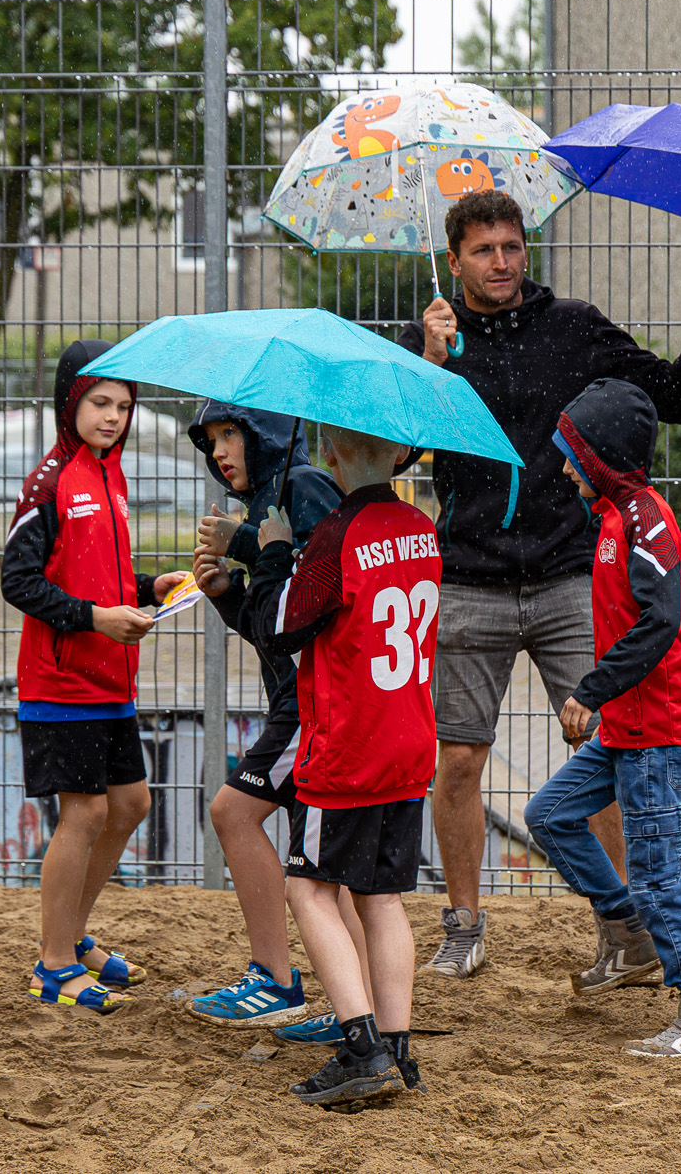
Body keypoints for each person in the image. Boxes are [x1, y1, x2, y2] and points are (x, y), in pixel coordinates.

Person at [397, 188, 681, 978]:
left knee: (606, 748)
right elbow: (392, 452)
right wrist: (427, 364)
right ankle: (464, 926)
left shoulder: (574, 324)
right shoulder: (430, 337)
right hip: (469, 576)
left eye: (512, 246)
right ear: (455, 261)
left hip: (569, 575)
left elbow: (674, 399)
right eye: (484, 250)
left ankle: (628, 929)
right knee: (459, 759)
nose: (502, 262)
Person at [521, 379, 681, 1057]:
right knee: (551, 815)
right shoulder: (618, 514)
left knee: (658, 874)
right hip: (631, 725)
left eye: (573, 453)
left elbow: (660, 622)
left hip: (663, 728)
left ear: (603, 455)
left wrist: (591, 691)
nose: (563, 467)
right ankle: (628, 932)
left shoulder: (643, 520)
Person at [244, 424, 441, 1107]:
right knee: (381, 897)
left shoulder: (336, 535)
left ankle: (360, 1046)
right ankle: (396, 1043)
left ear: (329, 455)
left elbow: (280, 628)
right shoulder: (422, 527)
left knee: (309, 889)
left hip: (349, 749)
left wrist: (274, 553)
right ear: (401, 454)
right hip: (407, 742)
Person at [3, 340, 189, 1014]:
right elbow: (18, 581)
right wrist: (94, 620)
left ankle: (72, 935)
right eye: (100, 403)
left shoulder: (112, 475)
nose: (113, 417)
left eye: (125, 406)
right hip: (61, 684)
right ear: (69, 402)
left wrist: (147, 586)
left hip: (112, 681)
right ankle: (53, 965)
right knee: (83, 812)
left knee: (130, 804)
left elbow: (95, 573)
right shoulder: (48, 481)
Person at [181, 403, 343, 1030]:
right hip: (297, 700)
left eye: (231, 434)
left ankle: (280, 980)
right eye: (211, 440)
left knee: (236, 814)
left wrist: (246, 544)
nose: (220, 452)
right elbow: (272, 626)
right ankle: (346, 1005)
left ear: (267, 434)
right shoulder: (268, 498)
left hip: (312, 702)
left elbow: (323, 590)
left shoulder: (304, 486)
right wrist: (227, 594)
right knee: (327, 872)